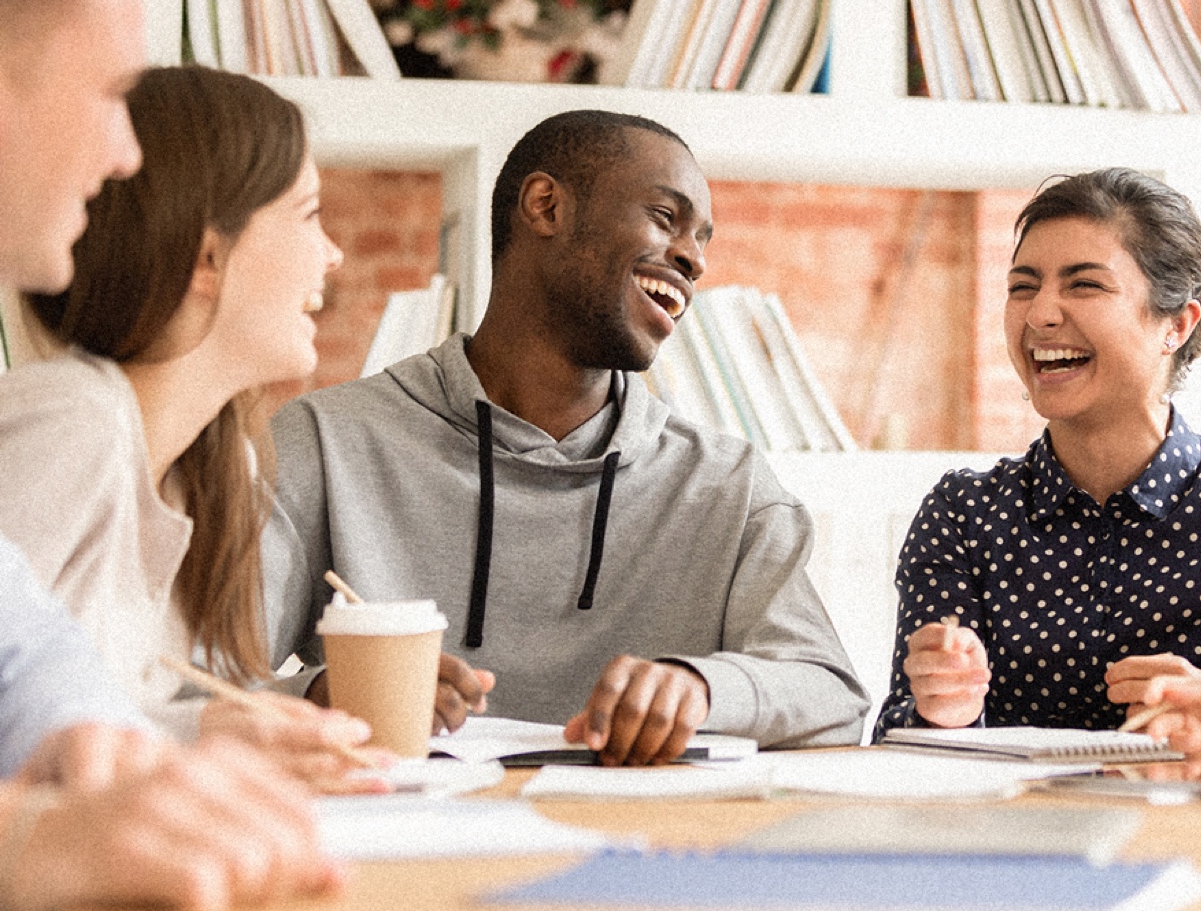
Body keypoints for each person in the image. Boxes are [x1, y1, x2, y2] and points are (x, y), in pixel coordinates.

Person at [265, 108, 868, 766]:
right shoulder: (322, 444)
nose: (694, 259)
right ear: (546, 206)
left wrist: (701, 687)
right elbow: (190, 679)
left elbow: (831, 692)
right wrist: (325, 695)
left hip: (644, 855)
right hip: (403, 846)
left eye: (702, 240)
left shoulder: (729, 484)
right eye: (666, 219)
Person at [0, 0, 345, 906]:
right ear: (206, 256)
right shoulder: (74, 422)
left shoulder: (215, 466)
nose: (334, 256)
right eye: (309, 216)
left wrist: (250, 721)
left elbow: (47, 690)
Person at [873, 166, 1201, 738]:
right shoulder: (963, 514)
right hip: (1018, 827)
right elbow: (897, 735)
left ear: (1177, 323)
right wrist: (944, 709)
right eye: (1022, 286)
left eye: (1083, 284)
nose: (1040, 313)